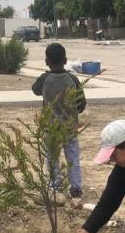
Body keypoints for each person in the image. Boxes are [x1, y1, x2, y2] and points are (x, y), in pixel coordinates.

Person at [31, 43, 87, 198]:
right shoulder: (73, 79)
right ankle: (76, 188)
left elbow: (35, 90)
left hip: (50, 128)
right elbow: (82, 104)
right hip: (69, 127)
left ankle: (55, 187)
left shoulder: (44, 78)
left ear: (46, 61)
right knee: (73, 158)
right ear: (65, 60)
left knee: (52, 157)